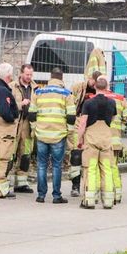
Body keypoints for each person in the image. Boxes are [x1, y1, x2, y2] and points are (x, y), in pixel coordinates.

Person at [29, 67, 74, 204]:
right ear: (61, 78)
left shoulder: (38, 92)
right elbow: (71, 117)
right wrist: (69, 131)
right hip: (58, 135)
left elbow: (31, 113)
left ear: (50, 77)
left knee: (41, 165)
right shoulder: (66, 94)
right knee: (56, 166)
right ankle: (56, 196)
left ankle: (41, 195)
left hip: (41, 134)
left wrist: (35, 128)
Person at [75, 77, 118, 209]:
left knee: (91, 169)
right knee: (106, 169)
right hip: (106, 139)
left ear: (95, 87)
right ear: (106, 88)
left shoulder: (88, 103)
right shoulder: (112, 103)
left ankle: (89, 200)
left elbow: (83, 123)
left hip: (92, 140)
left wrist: (79, 139)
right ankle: (109, 200)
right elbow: (113, 118)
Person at [67, 69, 103, 198]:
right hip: (79, 121)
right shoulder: (78, 87)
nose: (96, 86)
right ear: (91, 79)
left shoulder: (101, 91)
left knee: (93, 156)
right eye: (95, 83)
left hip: (93, 125)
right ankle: (75, 185)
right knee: (76, 153)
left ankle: (92, 186)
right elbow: (69, 101)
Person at [0, 63, 19, 199]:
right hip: (4, 129)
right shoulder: (4, 91)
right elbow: (6, 111)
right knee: (3, 157)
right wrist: (13, 118)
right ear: (9, 75)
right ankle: (0, 189)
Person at [10, 64, 37, 193]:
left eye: (31, 75)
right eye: (27, 74)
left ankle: (21, 183)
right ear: (21, 73)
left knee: (25, 155)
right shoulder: (12, 87)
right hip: (15, 125)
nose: (29, 77)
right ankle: (4, 181)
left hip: (28, 126)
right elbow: (8, 105)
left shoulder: (35, 88)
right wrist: (21, 104)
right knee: (10, 154)